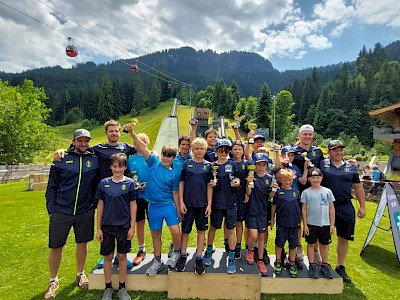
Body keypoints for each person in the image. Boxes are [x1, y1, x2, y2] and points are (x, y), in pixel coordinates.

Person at [44, 129, 99, 300]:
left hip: (85, 210)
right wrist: (51, 210)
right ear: (73, 141)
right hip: (61, 210)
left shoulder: (94, 159)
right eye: (80, 141)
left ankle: (80, 274)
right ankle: (53, 280)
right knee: (56, 246)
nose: (83, 144)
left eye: (86, 141)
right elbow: (51, 187)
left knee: (82, 243)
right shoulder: (61, 159)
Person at [126, 124, 182, 276]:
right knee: (155, 235)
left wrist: (178, 209)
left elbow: (175, 193)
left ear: (173, 158)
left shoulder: (173, 174)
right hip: (153, 206)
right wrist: (132, 133)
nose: (165, 158)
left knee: (176, 231)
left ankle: (176, 253)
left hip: (168, 205)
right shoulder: (153, 163)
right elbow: (142, 148)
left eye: (169, 156)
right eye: (164, 154)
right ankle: (158, 261)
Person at [319, 139, 366, 283]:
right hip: (325, 205)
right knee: (323, 235)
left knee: (344, 237)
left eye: (340, 150)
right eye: (335, 150)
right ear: (329, 151)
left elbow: (358, 187)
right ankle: (323, 263)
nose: (338, 152)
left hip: (345, 205)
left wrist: (362, 206)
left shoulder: (351, 167)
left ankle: (340, 265)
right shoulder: (322, 164)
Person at [96, 153, 137, 300]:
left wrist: (132, 227)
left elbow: (133, 206)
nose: (117, 169)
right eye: (115, 166)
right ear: (110, 167)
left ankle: (122, 287)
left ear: (125, 167)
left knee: (122, 256)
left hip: (123, 227)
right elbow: (100, 206)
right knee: (107, 257)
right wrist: (98, 228)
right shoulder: (104, 183)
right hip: (107, 227)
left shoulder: (131, 183)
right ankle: (108, 287)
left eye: (120, 166)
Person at [203, 139, 241, 274]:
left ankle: (231, 257)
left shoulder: (233, 164)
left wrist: (237, 181)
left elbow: (237, 178)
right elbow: (209, 185)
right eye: (221, 150)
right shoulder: (212, 166)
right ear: (216, 151)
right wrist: (209, 203)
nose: (223, 152)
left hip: (231, 203)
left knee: (230, 230)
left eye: (226, 150)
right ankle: (208, 251)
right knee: (213, 228)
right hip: (217, 203)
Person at [176, 137, 212, 274]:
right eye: (196, 148)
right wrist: (181, 202)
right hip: (188, 204)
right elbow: (181, 183)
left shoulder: (208, 166)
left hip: (202, 205)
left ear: (205, 150)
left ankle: (198, 256)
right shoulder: (187, 164)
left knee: (201, 230)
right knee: (185, 231)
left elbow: (210, 186)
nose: (199, 151)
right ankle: (183, 254)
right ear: (192, 149)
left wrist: (209, 204)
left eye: (202, 148)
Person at [292, 124, 323, 264]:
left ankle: (314, 250)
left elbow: (325, 168)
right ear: (299, 136)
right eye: (305, 134)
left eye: (310, 134)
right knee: (298, 220)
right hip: (298, 190)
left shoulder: (318, 152)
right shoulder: (294, 151)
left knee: (314, 220)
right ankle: (298, 247)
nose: (308, 137)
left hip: (315, 191)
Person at [245, 153, 279, 276]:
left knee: (261, 237)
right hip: (252, 210)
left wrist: (274, 190)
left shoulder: (270, 178)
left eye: (263, 164)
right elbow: (248, 193)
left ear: (266, 165)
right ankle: (250, 251)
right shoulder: (251, 176)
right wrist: (248, 183)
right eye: (259, 164)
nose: (261, 167)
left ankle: (260, 260)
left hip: (263, 211)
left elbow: (270, 196)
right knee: (253, 235)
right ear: (255, 165)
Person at [301, 167, 335, 279]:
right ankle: (312, 266)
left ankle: (325, 265)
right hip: (311, 223)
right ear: (309, 179)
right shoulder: (306, 192)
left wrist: (332, 224)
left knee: (324, 245)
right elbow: (304, 209)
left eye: (317, 177)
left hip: (324, 223)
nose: (315, 180)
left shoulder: (327, 191)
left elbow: (331, 208)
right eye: (313, 178)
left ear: (321, 178)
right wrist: (305, 224)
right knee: (311, 244)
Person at [271, 168, 301, 278]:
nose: (287, 182)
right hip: (282, 223)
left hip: (294, 224)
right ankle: (278, 261)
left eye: (289, 180)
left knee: (293, 244)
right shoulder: (278, 192)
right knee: (279, 243)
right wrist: (272, 219)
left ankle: (292, 263)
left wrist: (301, 221)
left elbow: (300, 207)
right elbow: (274, 206)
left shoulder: (296, 192)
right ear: (281, 180)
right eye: (285, 180)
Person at [127, 133, 151, 266]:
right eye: (137, 143)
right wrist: (135, 185)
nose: (140, 145)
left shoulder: (152, 157)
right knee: (140, 223)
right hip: (137, 196)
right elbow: (129, 176)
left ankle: (156, 251)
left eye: (143, 143)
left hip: (151, 196)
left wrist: (149, 184)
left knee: (154, 224)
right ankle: (142, 248)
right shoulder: (131, 160)